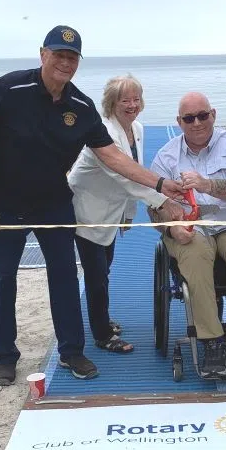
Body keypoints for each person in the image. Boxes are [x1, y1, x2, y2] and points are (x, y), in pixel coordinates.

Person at [0, 25, 185, 385]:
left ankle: (71, 351)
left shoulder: (81, 107)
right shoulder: (8, 88)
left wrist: (160, 183)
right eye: (58, 55)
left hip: (54, 203)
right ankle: (5, 356)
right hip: (2, 202)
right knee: (2, 279)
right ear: (42, 54)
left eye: (72, 57)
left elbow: (113, 156)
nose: (65, 63)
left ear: (78, 62)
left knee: (66, 278)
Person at [148, 92, 226, 379]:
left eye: (203, 115)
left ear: (213, 114)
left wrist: (207, 184)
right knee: (194, 251)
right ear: (179, 122)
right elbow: (154, 206)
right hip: (192, 228)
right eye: (189, 118)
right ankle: (212, 340)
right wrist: (171, 227)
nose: (197, 122)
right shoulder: (165, 157)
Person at [68, 74, 183, 354]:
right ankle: (102, 334)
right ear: (111, 103)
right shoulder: (103, 132)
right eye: (125, 100)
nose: (132, 105)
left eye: (136, 99)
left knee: (104, 268)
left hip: (112, 210)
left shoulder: (137, 128)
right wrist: (162, 202)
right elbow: (126, 178)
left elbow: (135, 169)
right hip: (87, 211)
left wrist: (129, 214)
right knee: (96, 276)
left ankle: (102, 319)